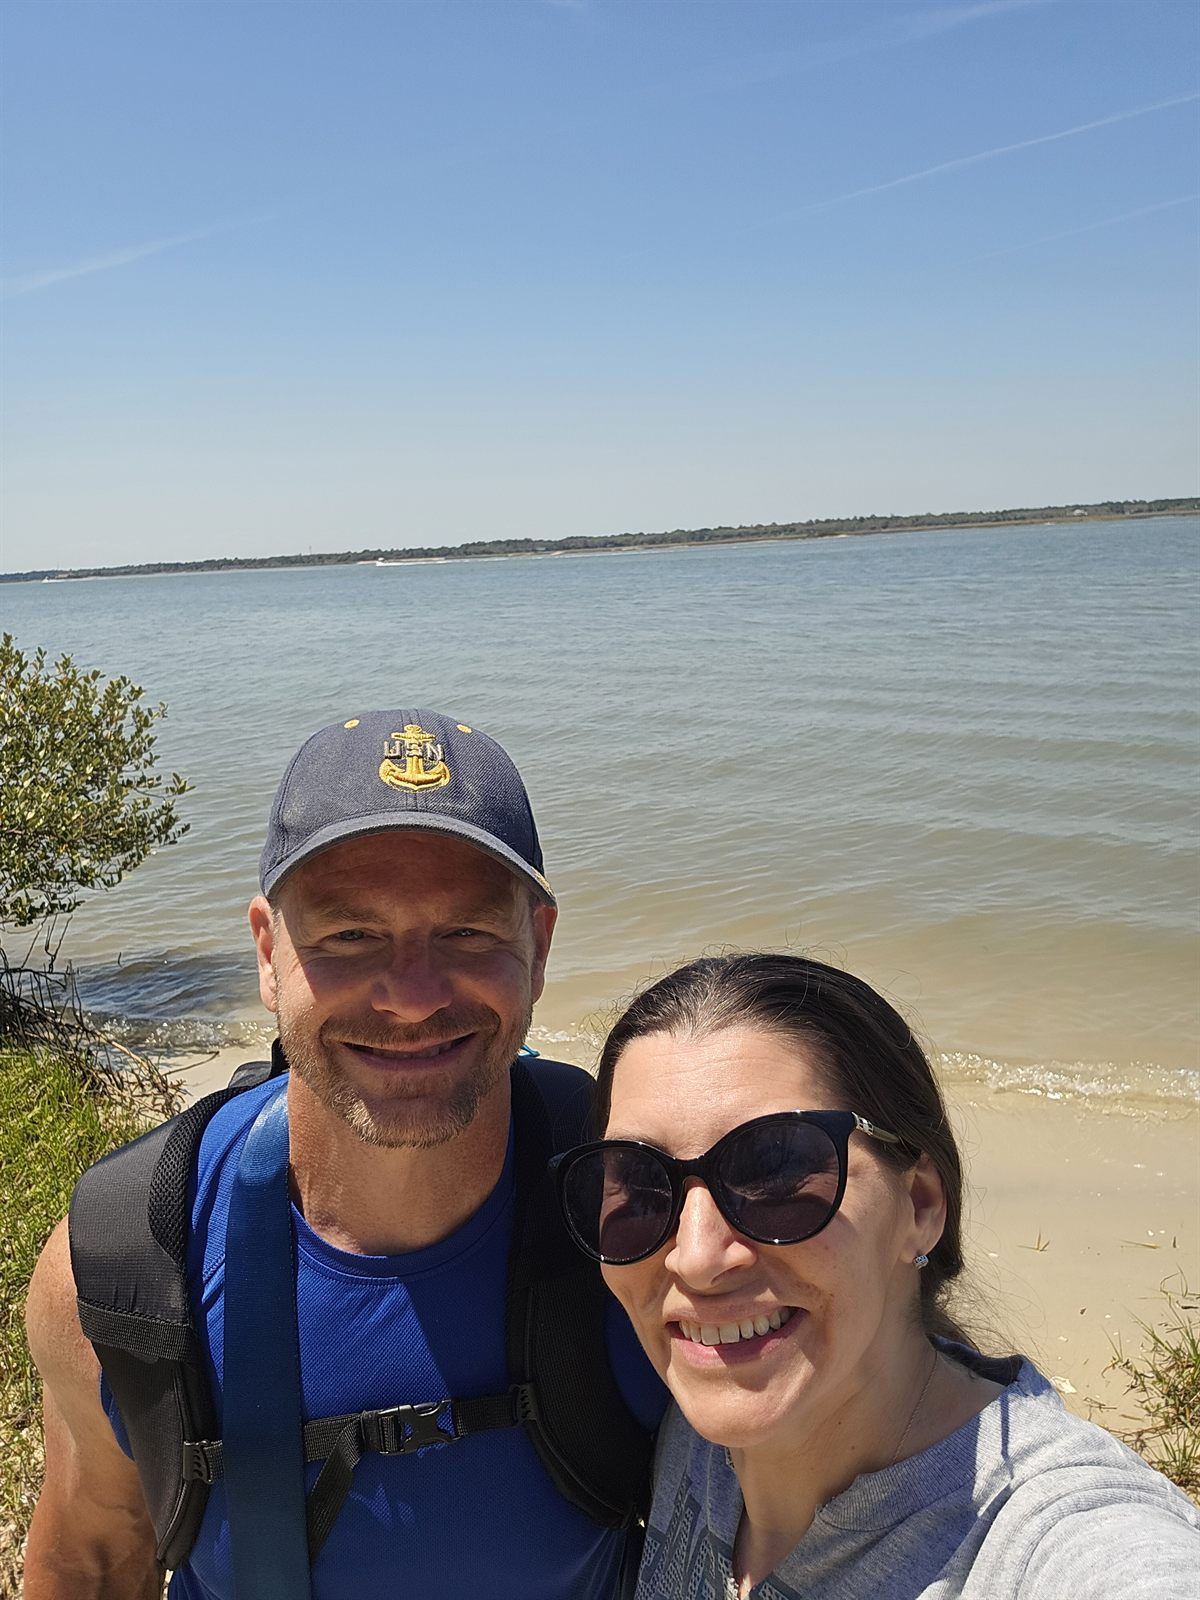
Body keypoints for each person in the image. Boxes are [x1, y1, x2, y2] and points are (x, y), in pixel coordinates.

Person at [24, 709, 663, 1600]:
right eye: (349, 936)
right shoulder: (129, 1255)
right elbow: (91, 1559)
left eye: (468, 933)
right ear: (268, 953)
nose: (411, 997)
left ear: (540, 945)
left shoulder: (650, 1210)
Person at [553, 952, 1200, 1600]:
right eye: (639, 1186)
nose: (694, 1257)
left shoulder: (1048, 1545)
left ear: (920, 1205)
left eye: (777, 1171)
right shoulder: (699, 1437)